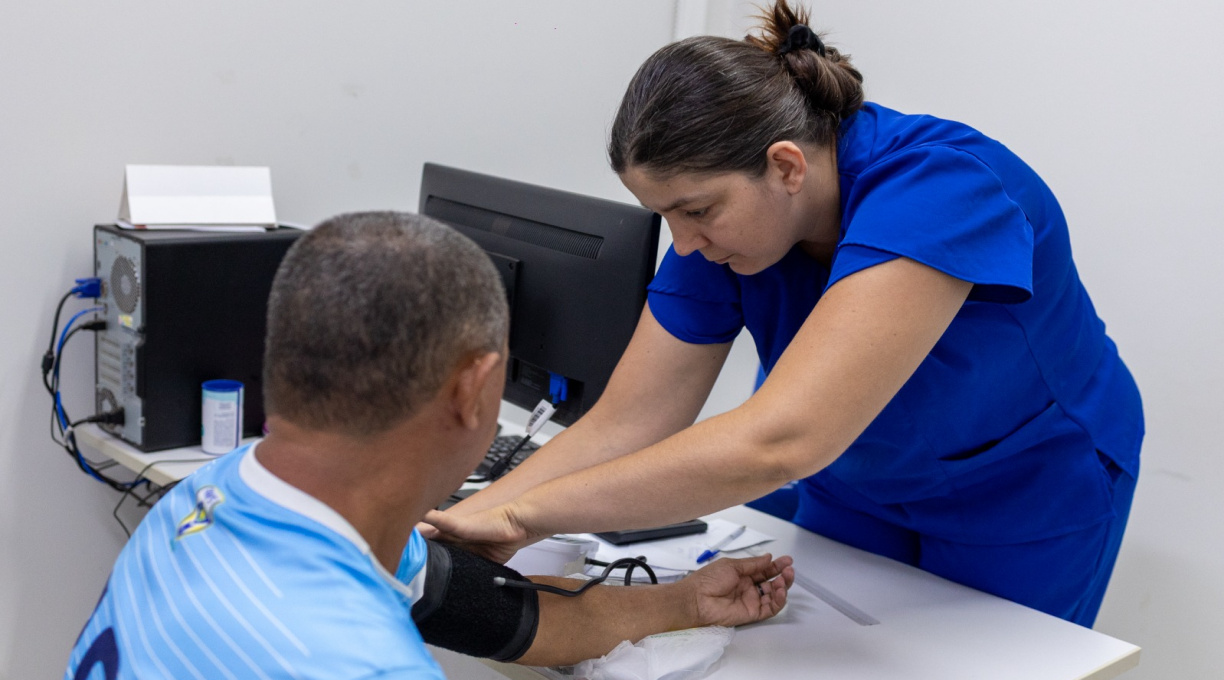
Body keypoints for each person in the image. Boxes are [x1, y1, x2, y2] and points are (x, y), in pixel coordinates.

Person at [425, 0, 1143, 629]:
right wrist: (470, 522)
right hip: (859, 477)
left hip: (1024, 488)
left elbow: (781, 442)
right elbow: (631, 420)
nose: (684, 243)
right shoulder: (726, 234)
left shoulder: (942, 189)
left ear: (787, 167)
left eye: (697, 211)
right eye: (666, 215)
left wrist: (528, 516)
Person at [64, 212, 794, 680]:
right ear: (474, 391)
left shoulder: (210, 495)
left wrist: (684, 602)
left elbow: (505, 613)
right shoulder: (366, 666)